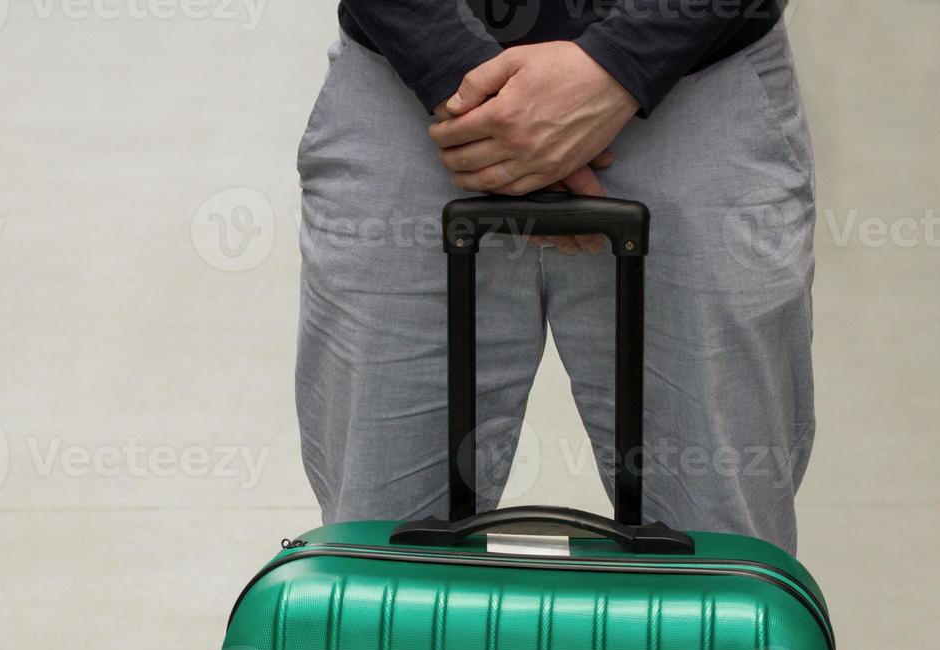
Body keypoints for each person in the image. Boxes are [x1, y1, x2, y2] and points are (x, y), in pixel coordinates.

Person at [296, 0, 816, 553]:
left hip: (699, 87)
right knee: (377, 569)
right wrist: (478, 91)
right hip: (408, 84)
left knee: (722, 571)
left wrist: (626, 59)